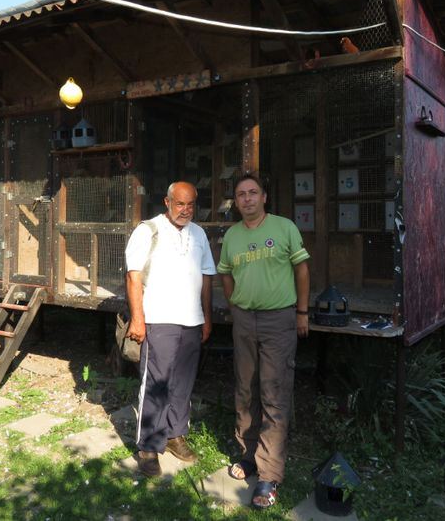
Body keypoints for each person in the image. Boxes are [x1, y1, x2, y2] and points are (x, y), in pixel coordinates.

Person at [216, 174, 310, 510]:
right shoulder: (232, 236)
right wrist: (234, 306)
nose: (247, 199)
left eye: (253, 193)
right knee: (245, 388)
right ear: (236, 201)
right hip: (244, 319)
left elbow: (301, 271)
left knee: (274, 391)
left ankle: (269, 474)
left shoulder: (284, 228)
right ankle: (249, 455)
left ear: (264, 197)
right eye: (241, 195)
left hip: (279, 319)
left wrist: (302, 312)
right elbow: (225, 273)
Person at [124, 181, 215, 477]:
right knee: (156, 383)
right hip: (158, 319)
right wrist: (138, 318)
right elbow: (133, 276)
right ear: (167, 201)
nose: (186, 210)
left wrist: (206, 317)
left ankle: (175, 435)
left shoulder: (199, 234)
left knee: (183, 382)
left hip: (192, 320)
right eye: (180, 204)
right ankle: (149, 446)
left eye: (191, 205)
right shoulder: (147, 230)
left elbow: (207, 277)